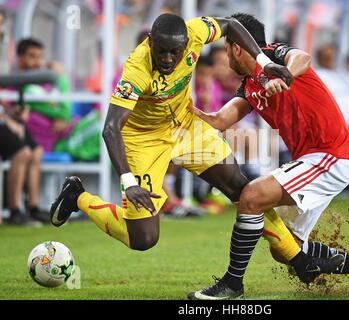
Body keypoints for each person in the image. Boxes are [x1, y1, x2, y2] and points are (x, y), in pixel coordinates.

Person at [50, 14, 327, 295]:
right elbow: (111, 129)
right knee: (143, 238)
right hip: (144, 140)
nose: (169, 59)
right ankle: (78, 196)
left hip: (185, 126)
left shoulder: (195, 31)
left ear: (186, 45)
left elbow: (230, 25)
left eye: (176, 52)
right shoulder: (136, 68)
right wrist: (129, 182)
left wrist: (264, 63)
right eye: (162, 51)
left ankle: (298, 258)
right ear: (150, 44)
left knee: (245, 191)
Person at [189, 13, 349, 300]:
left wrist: (283, 74)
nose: (226, 57)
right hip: (313, 159)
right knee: (286, 249)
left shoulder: (273, 54)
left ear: (236, 47)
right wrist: (186, 111)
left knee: (251, 196)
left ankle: (232, 284)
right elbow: (219, 120)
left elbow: (302, 57)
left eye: (226, 48)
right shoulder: (249, 86)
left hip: (329, 155)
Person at [16, 38, 74, 153]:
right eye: (32, 57)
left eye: (40, 57)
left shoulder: (47, 85)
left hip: (68, 134)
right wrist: (61, 77)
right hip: (57, 143)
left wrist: (61, 78)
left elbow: (65, 110)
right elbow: (64, 112)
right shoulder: (21, 88)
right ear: (20, 59)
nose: (38, 63)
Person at [0, 100, 44, 225]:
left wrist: (10, 113)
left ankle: (33, 208)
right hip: (2, 122)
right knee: (23, 153)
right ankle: (14, 211)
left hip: (5, 119)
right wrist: (7, 119)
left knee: (37, 152)